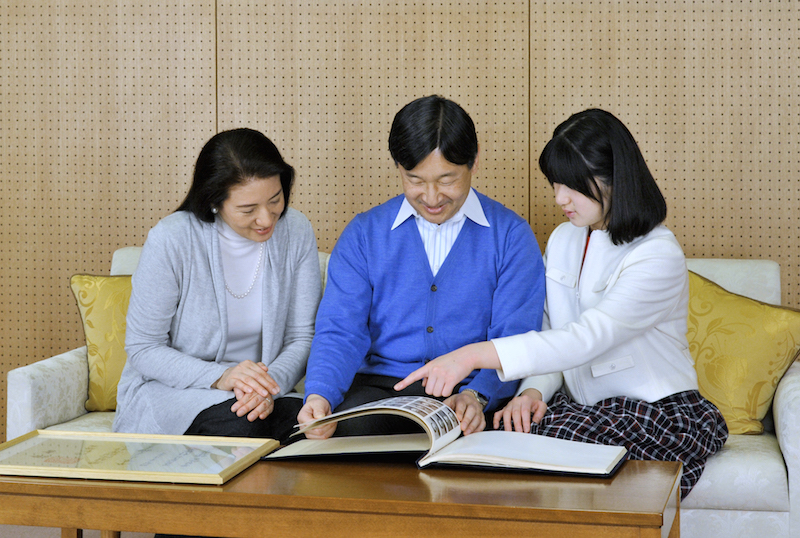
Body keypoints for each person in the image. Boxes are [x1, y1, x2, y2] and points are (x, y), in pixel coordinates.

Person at [396, 108, 728, 498]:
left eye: (572, 185)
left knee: (543, 451)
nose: (559, 198)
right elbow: (550, 329)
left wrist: (471, 356)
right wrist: (533, 393)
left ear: (614, 178)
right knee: (503, 430)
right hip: (592, 411)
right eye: (555, 184)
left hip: (654, 410)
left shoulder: (657, 254)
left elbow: (586, 338)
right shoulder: (565, 238)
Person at [298, 95, 546, 439]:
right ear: (398, 167)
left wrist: (477, 395)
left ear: (473, 161)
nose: (431, 197)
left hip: (468, 395)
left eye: (447, 180)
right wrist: (319, 394)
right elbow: (341, 329)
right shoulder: (365, 233)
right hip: (380, 392)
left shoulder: (511, 236)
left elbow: (515, 337)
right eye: (415, 180)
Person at [113, 128, 322, 445]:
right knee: (242, 428)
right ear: (214, 201)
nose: (266, 219)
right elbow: (144, 348)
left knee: (317, 428)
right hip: (178, 392)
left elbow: (301, 336)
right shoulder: (171, 239)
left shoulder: (296, 230)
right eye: (248, 210)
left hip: (266, 393)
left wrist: (266, 386)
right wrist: (221, 377)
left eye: (275, 200)